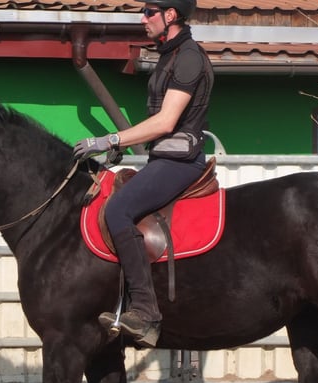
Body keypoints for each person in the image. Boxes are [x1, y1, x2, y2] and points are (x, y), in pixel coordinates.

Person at [73, 0, 214, 348]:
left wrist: (109, 138)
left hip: (180, 162)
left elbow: (165, 122)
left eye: (150, 12)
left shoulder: (190, 57)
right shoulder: (170, 55)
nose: (143, 18)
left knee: (119, 210)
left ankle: (147, 314)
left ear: (171, 15)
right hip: (163, 158)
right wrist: (118, 146)